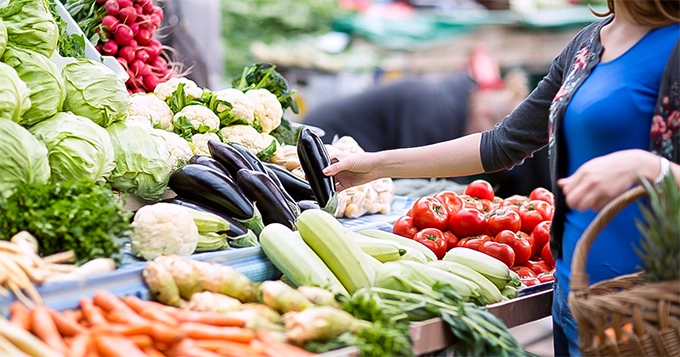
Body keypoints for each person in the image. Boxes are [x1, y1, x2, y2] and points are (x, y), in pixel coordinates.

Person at [321, 1, 680, 356]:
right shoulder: (587, 44)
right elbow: (501, 143)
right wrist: (374, 165)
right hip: (578, 300)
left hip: (655, 306)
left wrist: (650, 169)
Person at [302, 49, 552, 196]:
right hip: (323, 141)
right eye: (494, 132)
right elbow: (413, 176)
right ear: (485, 114)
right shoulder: (434, 111)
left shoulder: (453, 100)